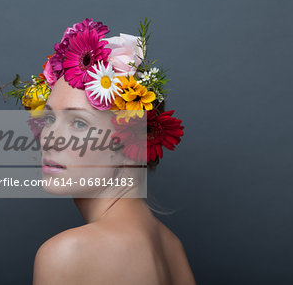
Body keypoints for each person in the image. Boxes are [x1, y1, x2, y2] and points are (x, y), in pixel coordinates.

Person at [32, 76, 196, 285]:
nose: (49, 139)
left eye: (79, 123)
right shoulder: (172, 248)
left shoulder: (68, 252)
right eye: (49, 119)